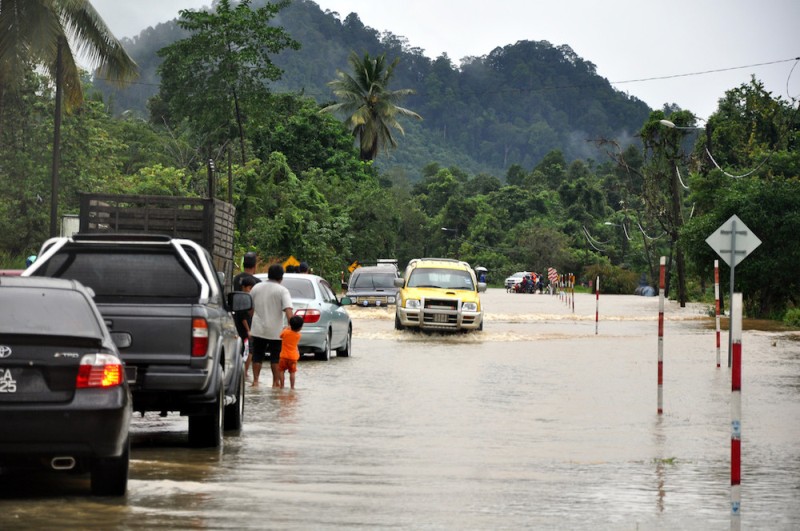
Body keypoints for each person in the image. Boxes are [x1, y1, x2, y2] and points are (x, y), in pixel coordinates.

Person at [249, 264, 293, 387]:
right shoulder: (282, 290)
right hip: (275, 331)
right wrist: (291, 328)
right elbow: (288, 311)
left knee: (257, 355)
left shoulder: (256, 287)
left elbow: (249, 308)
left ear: (268, 274)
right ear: (281, 277)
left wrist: (255, 318)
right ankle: (275, 382)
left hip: (258, 329)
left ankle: (255, 381)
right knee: (275, 357)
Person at [238, 275, 260, 379]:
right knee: (249, 351)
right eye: (251, 288)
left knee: (247, 350)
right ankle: (245, 373)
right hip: (245, 330)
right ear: (246, 287)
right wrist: (248, 330)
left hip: (245, 329)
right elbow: (243, 316)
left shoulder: (242, 297)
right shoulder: (244, 298)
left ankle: (244, 372)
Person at [278, 315, 304, 389]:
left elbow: (280, 336)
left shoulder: (285, 332)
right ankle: (292, 387)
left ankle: (282, 386)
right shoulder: (298, 335)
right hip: (293, 358)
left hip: (283, 356)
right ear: (300, 328)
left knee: (281, 371)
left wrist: (285, 328)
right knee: (292, 372)